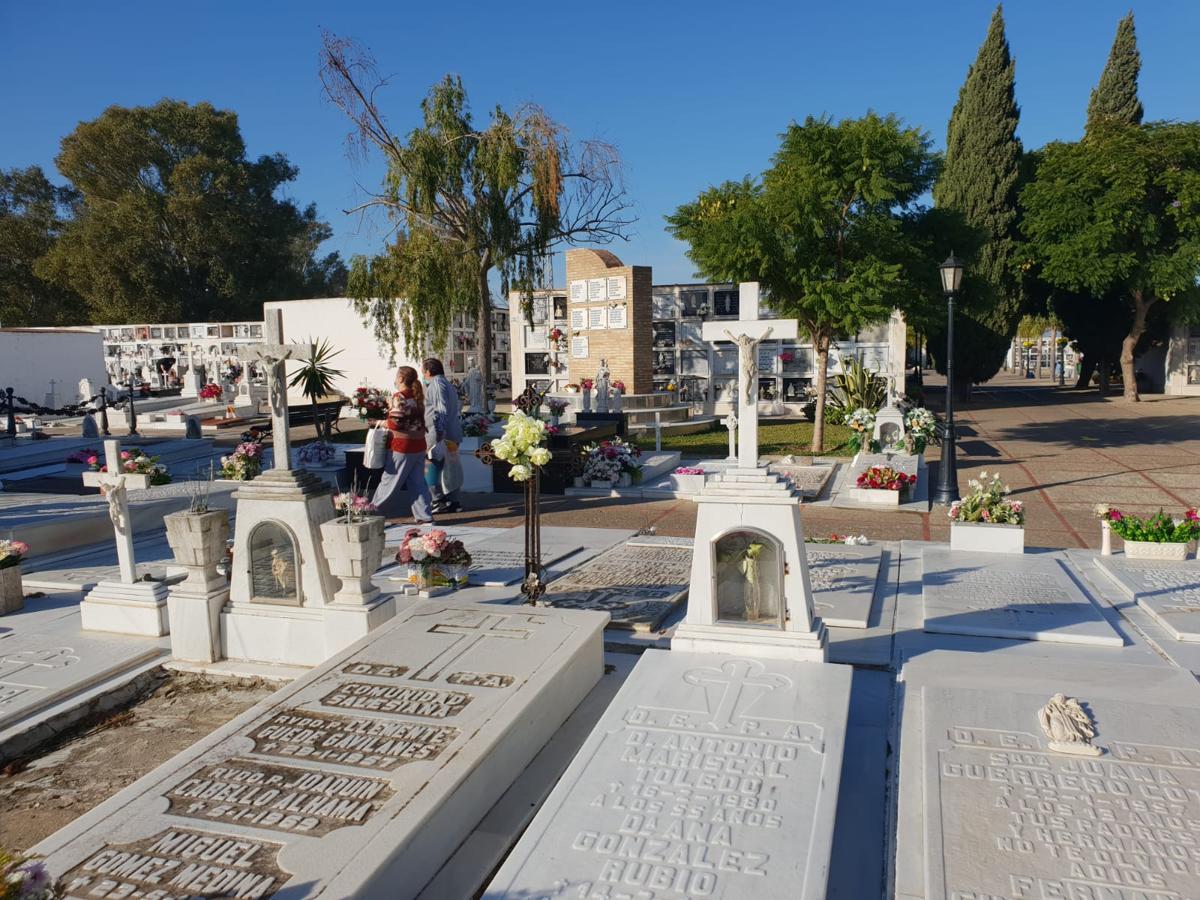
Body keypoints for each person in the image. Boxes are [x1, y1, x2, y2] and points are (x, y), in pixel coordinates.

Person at [370, 366, 434, 524]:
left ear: (400, 379)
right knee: (417, 483)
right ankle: (425, 517)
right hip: (419, 445)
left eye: (397, 375)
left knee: (389, 482)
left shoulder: (399, 397)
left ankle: (370, 514)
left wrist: (377, 422)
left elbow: (395, 423)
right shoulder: (417, 396)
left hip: (402, 446)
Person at [422, 357, 464, 514]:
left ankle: (438, 500)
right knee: (449, 469)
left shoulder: (436, 385)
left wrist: (439, 432)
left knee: (430, 466)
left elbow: (440, 410)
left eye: (423, 371)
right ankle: (454, 501)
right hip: (451, 432)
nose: (423, 375)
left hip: (439, 433)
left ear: (428, 371)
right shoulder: (447, 384)